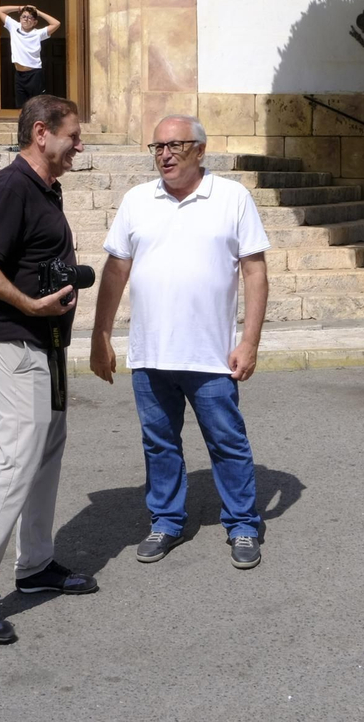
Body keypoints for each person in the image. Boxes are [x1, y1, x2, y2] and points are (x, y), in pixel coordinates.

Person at [0, 94, 96, 645]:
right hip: (15, 340)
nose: (80, 145)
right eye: (72, 136)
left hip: (47, 343)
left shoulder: (44, 188)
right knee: (17, 457)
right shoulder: (11, 186)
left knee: (46, 449)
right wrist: (28, 304)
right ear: (40, 133)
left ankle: (35, 565)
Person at [89, 115, 271, 570]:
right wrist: (101, 333)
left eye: (176, 145)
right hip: (151, 353)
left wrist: (249, 341)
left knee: (226, 440)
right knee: (159, 442)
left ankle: (243, 524)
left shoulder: (232, 197)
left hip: (209, 355)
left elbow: (255, 271)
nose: (165, 154)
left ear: (201, 150)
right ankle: (167, 521)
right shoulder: (137, 200)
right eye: (157, 147)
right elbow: (116, 271)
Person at [0, 4, 61, 107]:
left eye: (30, 18)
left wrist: (38, 12)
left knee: (37, 106)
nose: (26, 19)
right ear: (20, 18)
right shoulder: (14, 27)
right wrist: (20, 8)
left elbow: (56, 23)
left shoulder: (38, 33)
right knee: (21, 107)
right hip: (19, 74)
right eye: (24, 16)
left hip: (34, 74)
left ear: (35, 22)